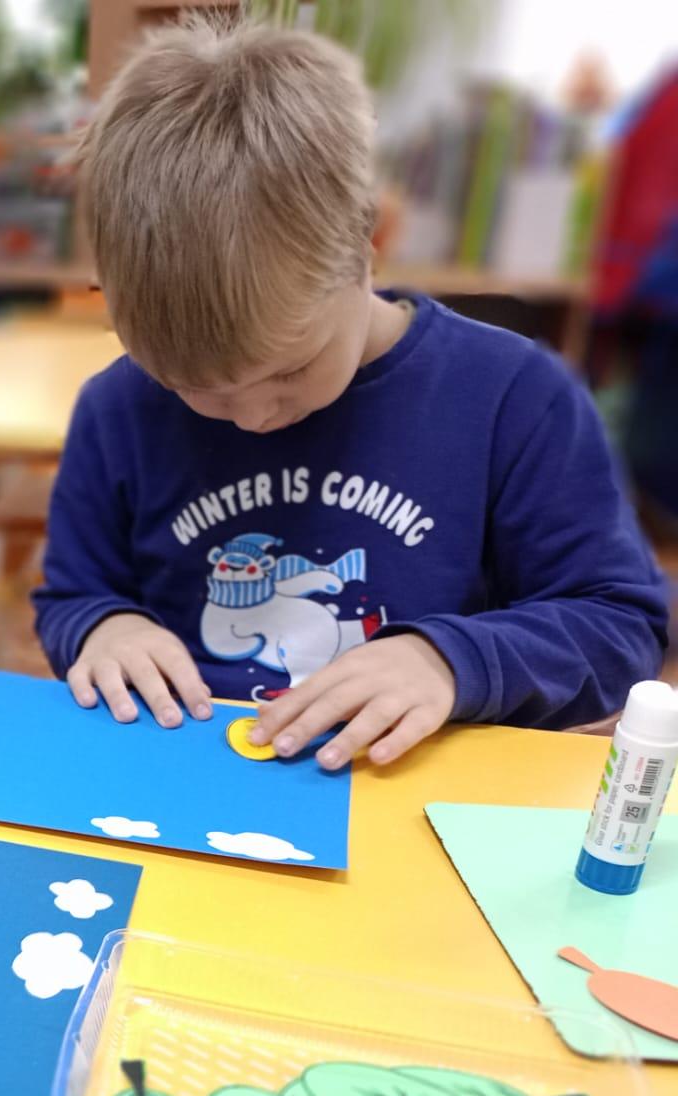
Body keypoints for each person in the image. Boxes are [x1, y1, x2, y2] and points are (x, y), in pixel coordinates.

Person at [35, 22, 667, 769]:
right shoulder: (116, 410)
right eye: (193, 388)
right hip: (180, 780)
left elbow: (620, 625)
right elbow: (72, 595)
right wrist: (104, 628)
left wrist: (448, 660)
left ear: (373, 241)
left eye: (289, 371)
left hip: (412, 791)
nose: (254, 417)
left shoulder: (517, 399)